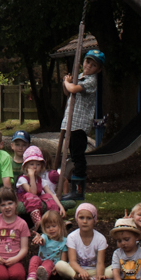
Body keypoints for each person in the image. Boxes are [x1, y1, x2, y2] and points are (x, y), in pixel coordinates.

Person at [60, 49, 103, 200]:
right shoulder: (79, 77)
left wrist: (67, 83)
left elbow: (73, 88)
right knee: (73, 154)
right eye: (87, 62)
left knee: (78, 157)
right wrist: (66, 83)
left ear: (98, 69)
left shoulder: (91, 81)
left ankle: (78, 191)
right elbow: (68, 93)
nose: (89, 66)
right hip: (71, 122)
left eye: (93, 65)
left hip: (80, 124)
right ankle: (72, 190)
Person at [88, 216, 141, 280]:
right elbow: (115, 272)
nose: (123, 243)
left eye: (126, 239)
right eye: (119, 241)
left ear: (136, 237)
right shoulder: (117, 253)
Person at [0, 188, 32, 280]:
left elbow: (24, 248)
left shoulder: (22, 223)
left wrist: (15, 259)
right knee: (0, 277)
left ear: (16, 203)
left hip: (14, 259)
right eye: (3, 205)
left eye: (10, 203)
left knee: (18, 277)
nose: (7, 207)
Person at [16, 146, 62, 229]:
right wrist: (31, 176)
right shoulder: (22, 179)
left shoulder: (41, 180)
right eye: (31, 164)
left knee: (48, 196)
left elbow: (52, 194)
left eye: (38, 164)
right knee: (31, 196)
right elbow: (32, 192)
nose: (35, 167)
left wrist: (61, 207)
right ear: (26, 166)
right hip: (26, 200)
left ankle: (56, 220)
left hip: (37, 199)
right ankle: (38, 222)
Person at [65, 203, 107, 280]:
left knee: (113, 270)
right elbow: (72, 261)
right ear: (76, 219)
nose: (84, 221)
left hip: (93, 270)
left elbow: (100, 262)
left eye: (89, 218)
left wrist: (99, 275)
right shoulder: (72, 237)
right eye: (81, 218)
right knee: (60, 265)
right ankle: (82, 278)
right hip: (77, 269)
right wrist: (81, 271)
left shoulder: (101, 239)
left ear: (94, 220)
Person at [28, 209, 71, 280]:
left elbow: (63, 259)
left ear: (60, 226)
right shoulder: (45, 237)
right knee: (34, 258)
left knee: (48, 262)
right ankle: (32, 276)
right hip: (40, 265)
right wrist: (40, 239)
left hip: (53, 269)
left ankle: (44, 278)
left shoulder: (64, 241)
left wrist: (59, 268)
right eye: (48, 227)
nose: (51, 229)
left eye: (54, 226)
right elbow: (42, 241)